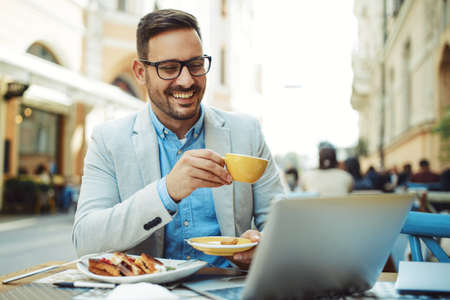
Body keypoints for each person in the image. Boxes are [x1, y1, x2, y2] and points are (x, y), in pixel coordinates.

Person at [72, 9, 284, 269]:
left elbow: (280, 223)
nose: (186, 80)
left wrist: (264, 243)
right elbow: (86, 239)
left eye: (195, 65)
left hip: (227, 287)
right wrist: (167, 192)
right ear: (140, 72)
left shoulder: (247, 131)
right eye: (169, 68)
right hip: (147, 292)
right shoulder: (108, 140)